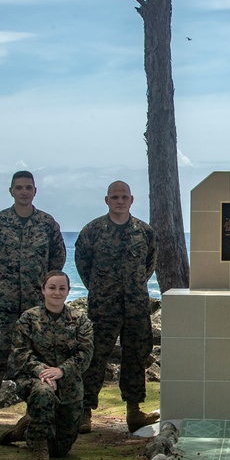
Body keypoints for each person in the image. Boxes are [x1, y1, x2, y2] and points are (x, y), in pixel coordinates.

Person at [0, 170, 67, 425]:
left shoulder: (47, 223)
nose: (24, 191)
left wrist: (46, 285)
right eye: (19, 187)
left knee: (38, 353)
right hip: (4, 300)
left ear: (35, 191)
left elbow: (58, 257)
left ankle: (34, 407)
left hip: (37, 303)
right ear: (11, 191)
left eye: (28, 187)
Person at [75, 180, 160, 434]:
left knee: (135, 357)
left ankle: (134, 412)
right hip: (103, 308)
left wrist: (132, 288)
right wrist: (100, 289)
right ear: (107, 200)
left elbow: (149, 265)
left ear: (132, 200)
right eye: (115, 197)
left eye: (124, 197)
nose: (119, 201)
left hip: (135, 307)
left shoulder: (145, 232)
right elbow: (83, 265)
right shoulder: (93, 231)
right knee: (95, 358)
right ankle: (84, 413)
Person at [0, 271, 93, 460]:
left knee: (60, 449)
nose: (56, 292)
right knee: (43, 392)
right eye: (52, 288)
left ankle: (24, 430)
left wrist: (61, 371)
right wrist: (42, 371)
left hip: (68, 385)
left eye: (61, 288)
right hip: (33, 380)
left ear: (68, 291)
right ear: (43, 290)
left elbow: (85, 353)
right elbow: (20, 353)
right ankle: (39, 451)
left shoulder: (79, 320)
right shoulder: (29, 319)